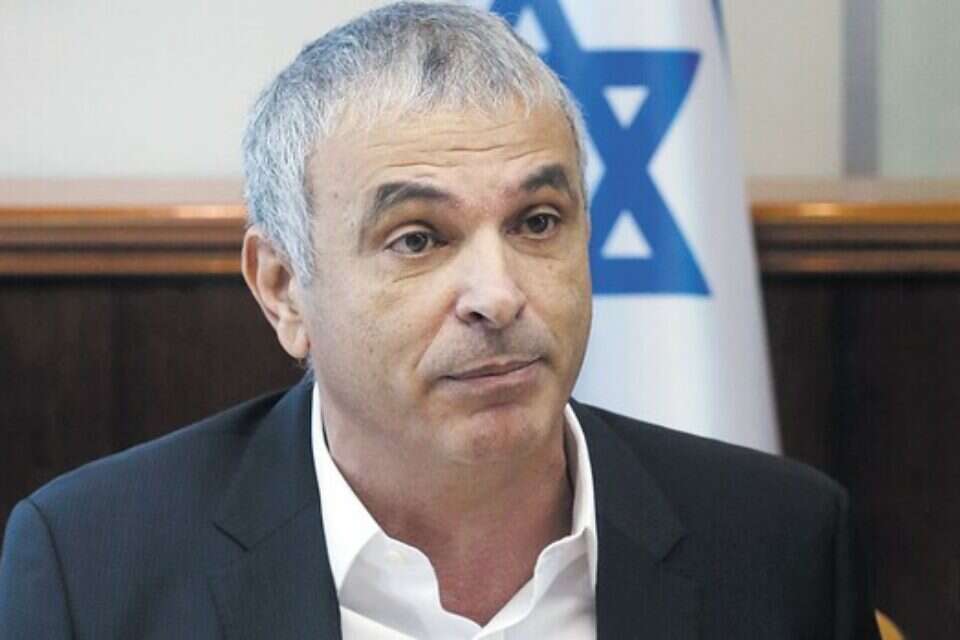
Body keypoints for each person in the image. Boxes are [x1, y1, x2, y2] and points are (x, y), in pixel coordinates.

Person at [0, 3, 879, 638]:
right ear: (283, 288)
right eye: (418, 238)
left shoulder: (781, 543)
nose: (498, 294)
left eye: (538, 222)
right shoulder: (95, 570)